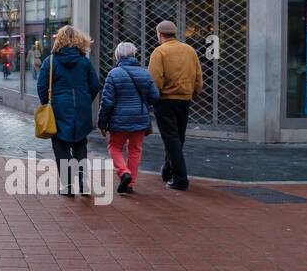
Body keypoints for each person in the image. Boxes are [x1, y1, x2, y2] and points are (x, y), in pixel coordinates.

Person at [36, 25, 101, 197]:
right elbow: (95, 86)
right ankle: (83, 184)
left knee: (61, 147)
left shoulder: (50, 62)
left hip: (58, 108)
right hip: (81, 108)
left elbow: (42, 86)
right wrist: (85, 99)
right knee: (80, 145)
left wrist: (45, 104)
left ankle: (68, 186)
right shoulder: (84, 62)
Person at [147, 19, 202, 191]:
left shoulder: (159, 52)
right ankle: (168, 170)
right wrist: (194, 92)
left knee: (171, 138)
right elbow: (198, 75)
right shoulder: (190, 50)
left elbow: (154, 79)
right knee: (178, 137)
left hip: (165, 100)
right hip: (185, 99)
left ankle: (180, 178)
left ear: (159, 34)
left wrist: (153, 98)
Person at [97, 42, 158, 195]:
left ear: (117, 55)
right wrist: (141, 103)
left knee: (115, 147)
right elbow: (155, 96)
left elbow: (107, 102)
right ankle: (130, 184)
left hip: (119, 120)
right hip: (140, 118)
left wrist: (102, 122)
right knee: (135, 149)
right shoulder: (145, 73)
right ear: (134, 55)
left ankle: (124, 173)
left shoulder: (113, 74)